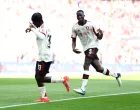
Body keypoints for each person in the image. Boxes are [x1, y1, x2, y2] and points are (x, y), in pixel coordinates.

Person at [71, 10, 122, 95]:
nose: (79, 17)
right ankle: (116, 75)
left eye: (80, 15)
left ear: (84, 15)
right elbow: (73, 40)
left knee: (86, 65)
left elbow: (99, 37)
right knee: (99, 68)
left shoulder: (91, 25)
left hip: (93, 45)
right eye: (77, 16)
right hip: (86, 48)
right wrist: (73, 48)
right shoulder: (75, 28)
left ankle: (83, 89)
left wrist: (100, 34)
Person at [25, 12, 70, 102]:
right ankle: (44, 97)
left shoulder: (43, 28)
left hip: (45, 57)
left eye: (34, 22)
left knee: (40, 78)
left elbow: (41, 36)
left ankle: (62, 80)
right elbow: (39, 34)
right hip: (42, 56)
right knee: (38, 77)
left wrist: (33, 29)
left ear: (38, 21)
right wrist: (32, 29)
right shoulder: (41, 27)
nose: (33, 24)